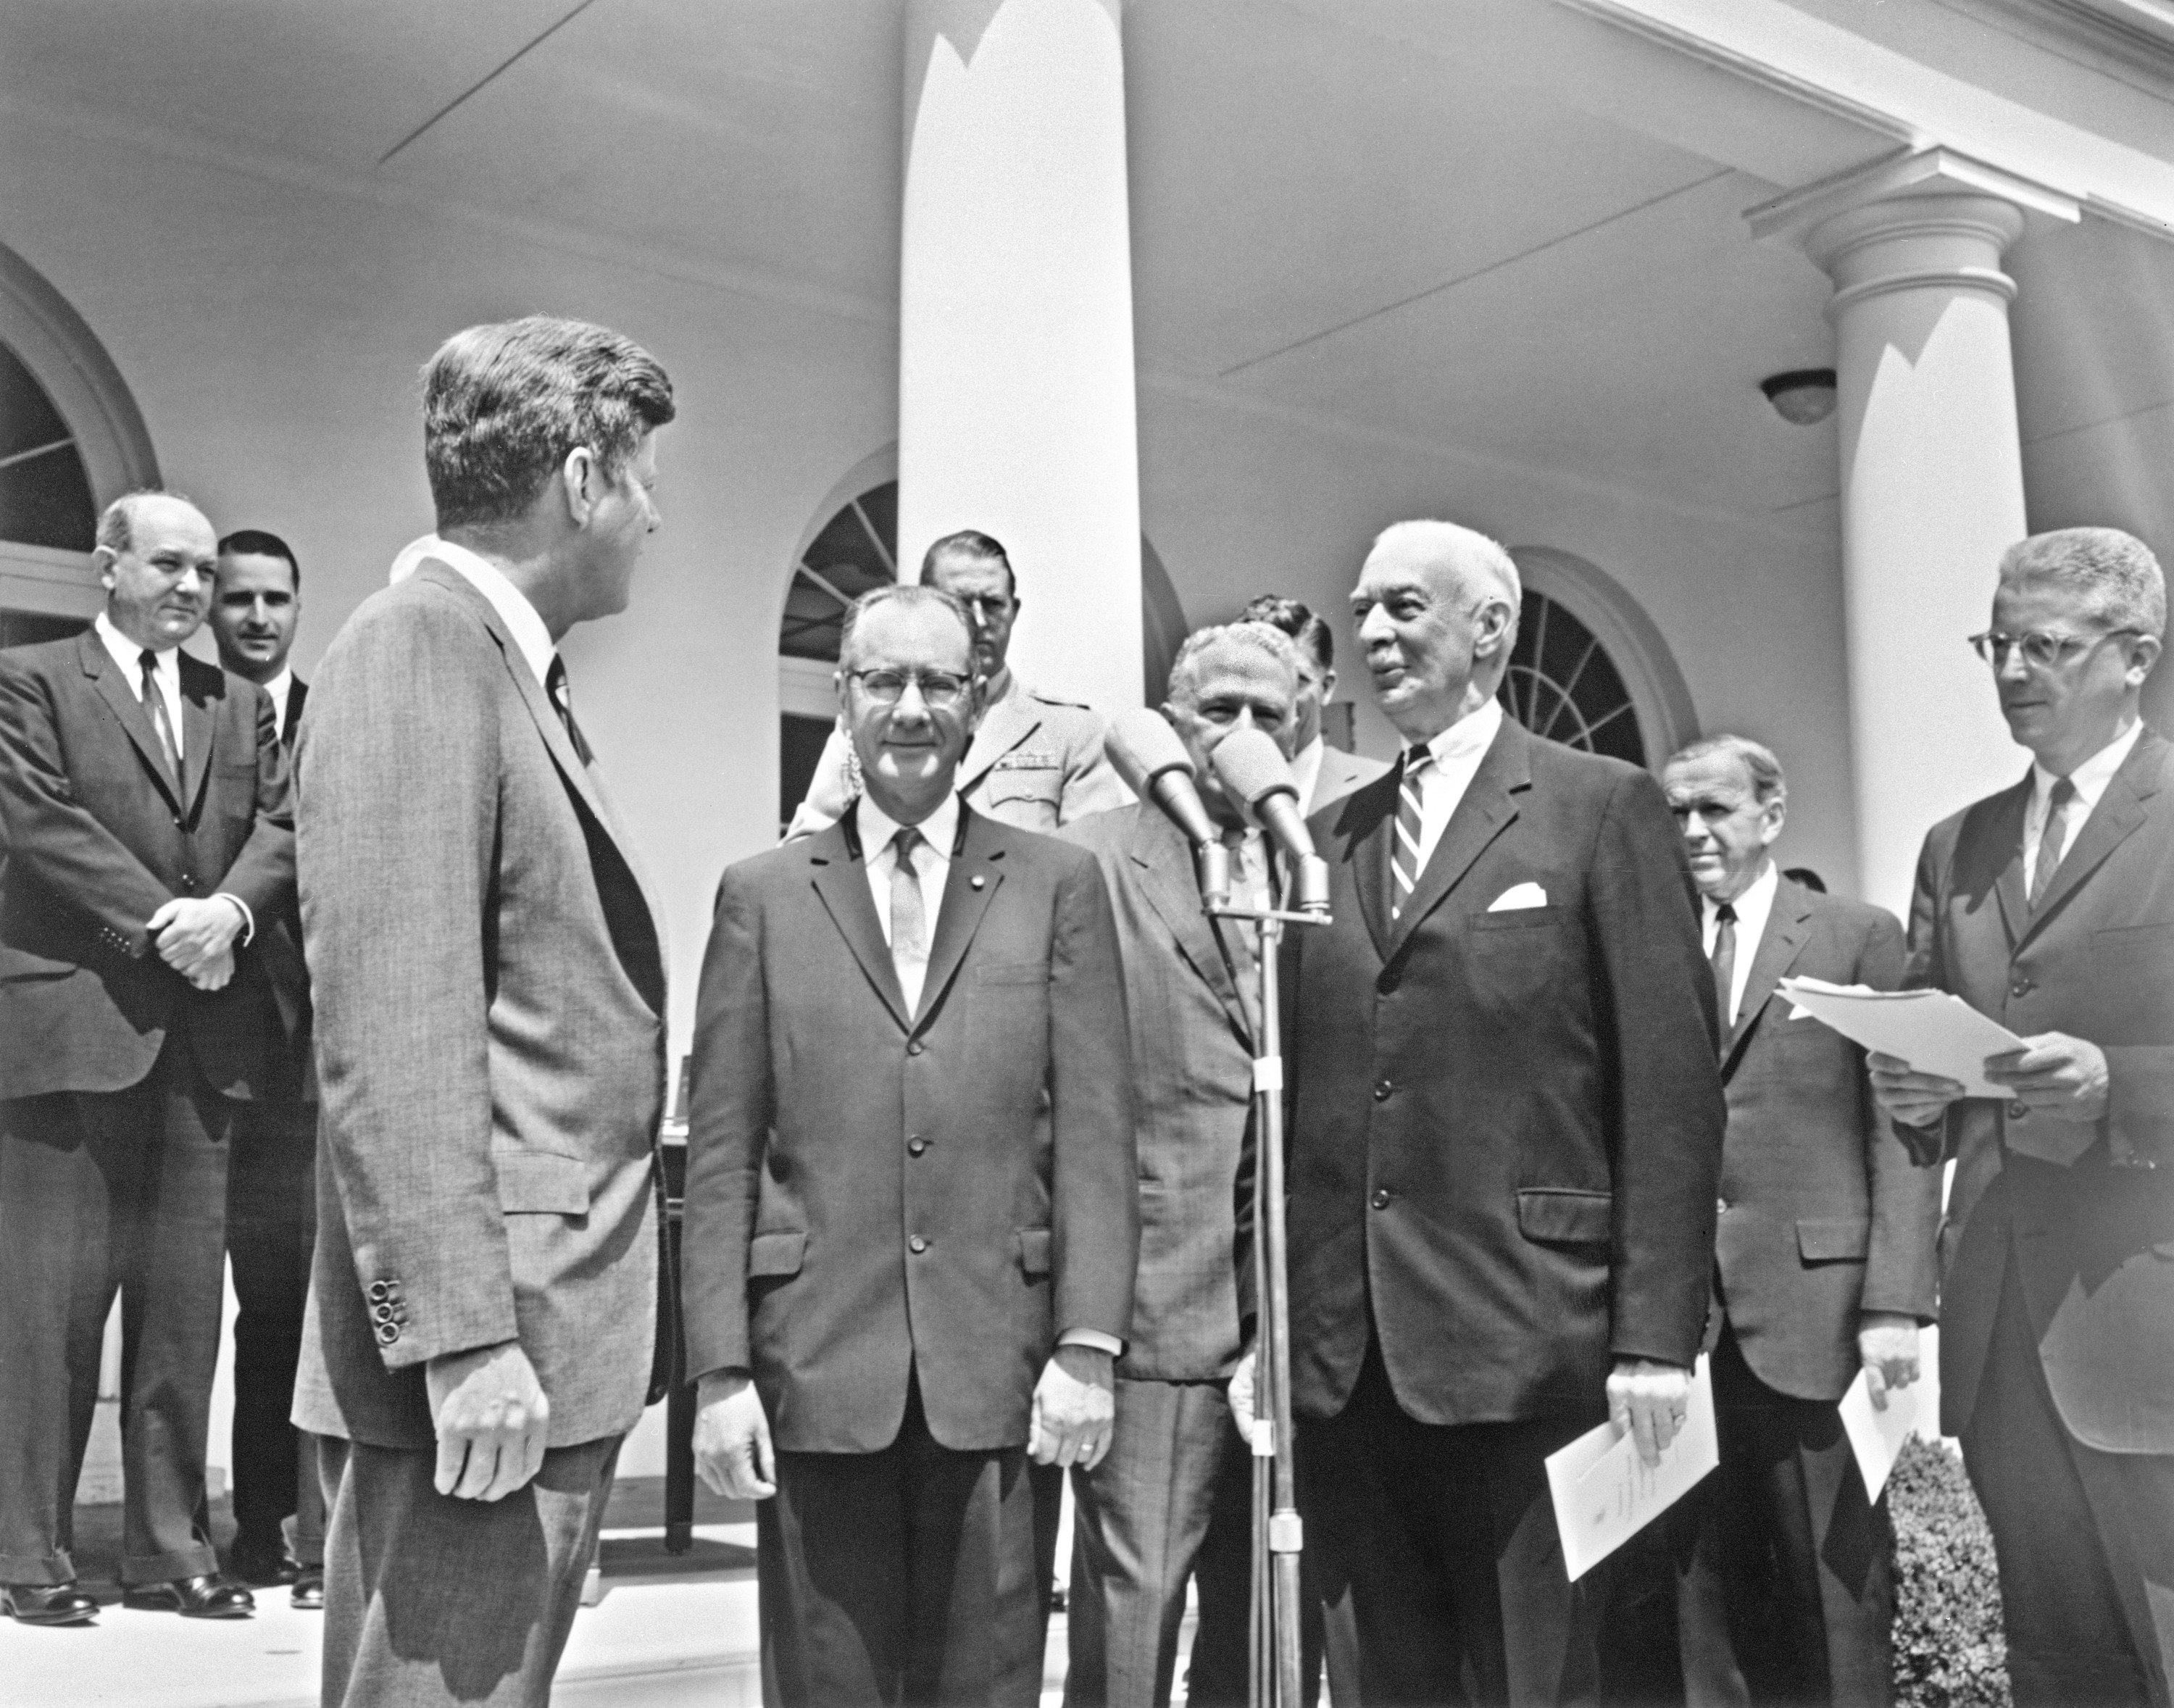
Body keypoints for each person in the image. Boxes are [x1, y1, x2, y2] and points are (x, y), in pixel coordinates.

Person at [293, 315, 675, 1707]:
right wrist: (454, 1336)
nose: (655, 513)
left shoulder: (494, 665)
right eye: (642, 479)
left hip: (530, 1345)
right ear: (580, 478)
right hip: (477, 1365)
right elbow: (387, 1038)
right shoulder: (417, 651)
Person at [1278, 517, 1725, 1705]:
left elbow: (1671, 1091)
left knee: (1534, 1680)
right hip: (1349, 1360)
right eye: (1362, 608)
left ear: (1490, 628)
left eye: (1404, 608)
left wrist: (1655, 1336)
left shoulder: (1602, 806)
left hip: (1535, 1342)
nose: (1371, 632)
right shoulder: (1329, 839)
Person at [683, 582, 1139, 1707]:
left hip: (998, 1369)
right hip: (817, 1370)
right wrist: (718, 1371)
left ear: (979, 697)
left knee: (986, 1689)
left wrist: (1088, 1343)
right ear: (841, 698)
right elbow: (724, 1150)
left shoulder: (1057, 884)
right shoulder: (763, 894)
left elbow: (1093, 1131)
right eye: (883, 680)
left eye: (939, 680)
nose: (912, 706)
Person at [1870, 526, 2174, 1707]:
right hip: (2001, 1336)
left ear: (2136, 656)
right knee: (2052, 1671)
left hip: (2145, 1326)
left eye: (2044, 644)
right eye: (1996, 642)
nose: (2010, 671)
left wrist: (2123, 1090)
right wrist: (1910, 1092)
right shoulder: (1960, 846)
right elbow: (1921, 1067)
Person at [0, 490, 293, 1625]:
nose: (192, 589)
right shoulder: (31, 679)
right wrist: (168, 924)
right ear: (106, 567)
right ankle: (29, 1554)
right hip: (70, 1040)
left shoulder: (240, 705)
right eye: (168, 566)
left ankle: (172, 1549)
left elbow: (281, 827)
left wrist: (229, 912)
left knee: (179, 1312)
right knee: (50, 1312)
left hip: (201, 1045)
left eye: (205, 573)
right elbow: (38, 822)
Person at [1643, 733, 1939, 1707]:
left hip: (1818, 1313)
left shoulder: (1857, 935)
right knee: (1699, 1604)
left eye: (1716, 809)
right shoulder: (1640, 940)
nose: (1692, 830)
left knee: (1832, 1596)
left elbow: (1905, 1126)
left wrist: (1896, 1298)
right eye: (1676, 810)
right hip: (1672, 1328)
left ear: (1771, 815)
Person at [1059, 621, 1304, 1708]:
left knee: (1269, 1633)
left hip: (1300, 1331)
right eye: (1222, 712)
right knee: (1134, 1614)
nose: (1246, 736)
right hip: (1159, 1310)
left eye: (1273, 717)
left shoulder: (1321, 862)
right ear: (1172, 717)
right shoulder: (1097, 860)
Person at [207, 528, 325, 1607]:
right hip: (223, 1060)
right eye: (236, 598)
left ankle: (290, 1525)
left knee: (303, 1308)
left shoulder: (331, 716)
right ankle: (251, 1528)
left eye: (273, 598)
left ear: (298, 605)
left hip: (321, 1067)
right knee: (247, 1304)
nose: (254, 616)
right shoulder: (195, 724)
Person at [784, 530, 1128, 838]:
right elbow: (810, 848)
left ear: (1014, 611)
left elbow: (1096, 873)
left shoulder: (1070, 734)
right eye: (961, 604)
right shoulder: (872, 723)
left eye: (993, 605)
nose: (980, 622)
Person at [1238, 593, 1387, 811]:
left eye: (1295, 680)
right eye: (1255, 678)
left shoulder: (1382, 788)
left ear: (1326, 688)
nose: (1272, 698)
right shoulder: (1208, 800)